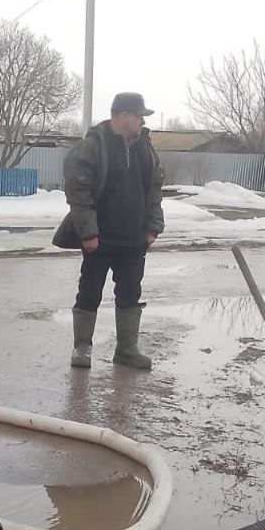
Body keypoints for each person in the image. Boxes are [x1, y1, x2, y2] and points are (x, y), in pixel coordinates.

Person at [54, 92, 165, 370]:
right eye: (139, 116)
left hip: (134, 239)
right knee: (89, 291)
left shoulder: (144, 147)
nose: (142, 121)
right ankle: (82, 348)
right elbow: (78, 192)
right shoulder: (93, 145)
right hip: (99, 239)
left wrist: (153, 227)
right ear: (123, 116)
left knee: (130, 293)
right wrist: (87, 233)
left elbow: (154, 190)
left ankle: (127, 350)